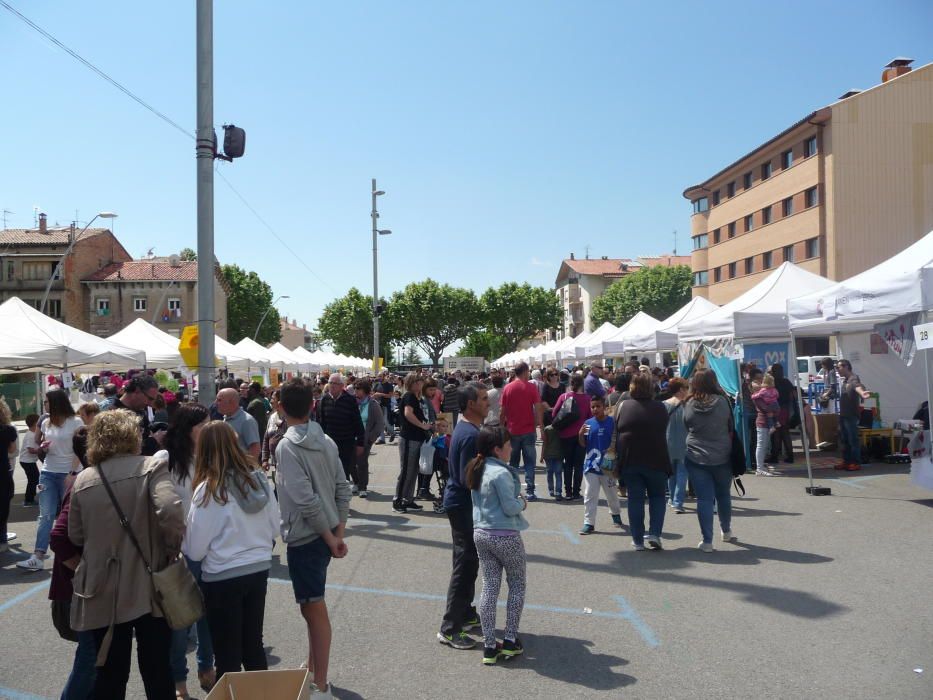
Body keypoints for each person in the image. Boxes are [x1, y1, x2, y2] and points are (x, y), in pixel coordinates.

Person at [69, 409, 185, 698]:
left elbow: (75, 535)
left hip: (103, 585)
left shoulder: (84, 479)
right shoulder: (151, 467)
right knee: (157, 669)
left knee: (109, 674)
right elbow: (171, 511)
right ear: (132, 436)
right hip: (150, 582)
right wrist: (171, 549)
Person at [184, 422, 279, 682]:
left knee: (226, 653)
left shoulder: (209, 489)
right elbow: (274, 528)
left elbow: (194, 548)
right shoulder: (258, 479)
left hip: (222, 575)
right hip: (258, 568)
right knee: (253, 645)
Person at [275, 378, 351, 698]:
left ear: (280, 407)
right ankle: (312, 670)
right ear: (312, 405)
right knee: (312, 607)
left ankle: (320, 682)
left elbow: (306, 500)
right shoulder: (327, 441)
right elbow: (341, 490)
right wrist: (337, 532)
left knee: (313, 609)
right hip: (323, 534)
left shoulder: (287, 446)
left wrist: (331, 536)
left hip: (308, 536)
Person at [158, 403, 215, 699]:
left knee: (208, 615)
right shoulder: (166, 458)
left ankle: (207, 668)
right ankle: (179, 682)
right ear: (187, 428)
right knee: (181, 621)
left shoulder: (212, 455)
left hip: (209, 550)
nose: (208, 429)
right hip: (178, 553)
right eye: (203, 425)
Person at [466, 426, 528, 665]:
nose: (511, 448)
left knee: (490, 586)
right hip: (505, 535)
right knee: (517, 584)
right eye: (508, 445)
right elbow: (510, 507)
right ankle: (510, 639)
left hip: (481, 533)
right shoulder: (501, 474)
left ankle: (490, 645)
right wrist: (522, 503)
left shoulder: (477, 468)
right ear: (497, 449)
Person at [438, 382, 488, 650]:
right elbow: (467, 478)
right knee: (464, 563)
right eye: (482, 398)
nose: (487, 402)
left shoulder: (470, 429)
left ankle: (466, 612)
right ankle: (449, 628)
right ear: (470, 404)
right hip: (462, 505)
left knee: (470, 560)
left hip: (464, 504)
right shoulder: (469, 435)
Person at [18, 390, 84, 572]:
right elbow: (43, 446)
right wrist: (43, 448)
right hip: (48, 472)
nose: (44, 405)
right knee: (45, 515)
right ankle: (38, 556)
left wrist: (72, 473)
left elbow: (81, 448)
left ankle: (73, 555)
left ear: (56, 403)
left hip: (68, 474)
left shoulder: (76, 422)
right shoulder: (46, 422)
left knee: (69, 516)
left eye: (46, 402)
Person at [613, 373, 670, 550]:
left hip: (630, 458)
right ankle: (654, 533)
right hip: (657, 457)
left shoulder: (623, 406)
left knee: (635, 499)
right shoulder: (660, 407)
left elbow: (615, 430)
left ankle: (637, 540)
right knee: (657, 497)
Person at [683, 369, 736, 552]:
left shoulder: (689, 403)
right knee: (723, 495)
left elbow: (686, 424)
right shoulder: (723, 401)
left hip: (696, 455)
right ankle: (726, 530)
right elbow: (731, 424)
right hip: (722, 453)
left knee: (704, 499)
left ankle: (707, 541)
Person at [578, 396, 622, 535]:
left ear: (604, 407)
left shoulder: (612, 423)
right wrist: (580, 434)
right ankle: (589, 523)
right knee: (590, 494)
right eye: (592, 407)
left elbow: (618, 442)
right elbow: (583, 444)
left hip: (608, 466)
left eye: (598, 406)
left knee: (612, 494)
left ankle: (615, 514)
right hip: (591, 466)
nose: (595, 409)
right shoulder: (588, 424)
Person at [499, 362, 543, 501]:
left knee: (513, 462)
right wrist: (538, 423)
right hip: (529, 429)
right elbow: (538, 407)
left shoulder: (508, 388)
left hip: (512, 429)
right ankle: (530, 490)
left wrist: (501, 427)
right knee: (530, 462)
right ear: (524, 371)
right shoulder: (531, 387)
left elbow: (502, 411)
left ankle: (513, 490)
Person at [317, 373, 366, 493]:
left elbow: (357, 422)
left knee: (343, 472)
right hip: (329, 444)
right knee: (330, 472)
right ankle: (334, 498)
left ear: (341, 386)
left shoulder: (350, 400)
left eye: (335, 384)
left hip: (346, 443)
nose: (332, 386)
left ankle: (342, 500)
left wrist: (360, 443)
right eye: (330, 383)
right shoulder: (324, 400)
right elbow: (321, 423)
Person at [394, 372, 432, 513]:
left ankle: (408, 499)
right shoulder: (409, 396)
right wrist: (423, 426)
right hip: (409, 438)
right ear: (414, 383)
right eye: (420, 381)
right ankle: (398, 500)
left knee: (413, 470)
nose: (422, 384)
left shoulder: (417, 398)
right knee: (406, 471)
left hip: (416, 438)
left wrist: (428, 425)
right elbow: (408, 414)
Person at [552, 374, 592, 501]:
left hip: (565, 434)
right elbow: (590, 417)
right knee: (579, 465)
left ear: (571, 383)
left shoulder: (563, 397)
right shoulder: (587, 399)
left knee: (568, 464)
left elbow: (554, 414)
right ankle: (576, 492)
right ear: (582, 384)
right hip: (582, 434)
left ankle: (568, 492)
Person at [107, 374, 164, 456]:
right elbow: (123, 452)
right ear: (137, 391)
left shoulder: (141, 411)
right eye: (149, 399)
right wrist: (155, 441)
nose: (150, 404)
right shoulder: (112, 415)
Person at [836, 359, 871, 471]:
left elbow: (858, 386)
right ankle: (847, 461)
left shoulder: (853, 378)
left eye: (839, 367)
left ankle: (855, 462)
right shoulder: (845, 380)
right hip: (843, 415)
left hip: (851, 415)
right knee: (844, 439)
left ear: (846, 367)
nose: (837, 370)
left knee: (853, 439)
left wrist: (862, 393)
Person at [663, 378, 690, 513]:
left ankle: (672, 499)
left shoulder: (664, 404)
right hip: (684, 441)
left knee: (671, 473)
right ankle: (678, 502)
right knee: (682, 473)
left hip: (667, 441)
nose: (687, 390)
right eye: (686, 388)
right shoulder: (687, 405)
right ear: (680, 389)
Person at [355, 379, 385, 499]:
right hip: (353, 437)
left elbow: (379, 424)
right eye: (355, 388)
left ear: (365, 391)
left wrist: (371, 438)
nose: (356, 391)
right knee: (353, 463)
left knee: (362, 462)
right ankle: (356, 483)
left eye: (358, 389)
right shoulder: (354, 403)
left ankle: (363, 487)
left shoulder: (373, 404)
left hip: (365, 438)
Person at [216, 387, 261, 459]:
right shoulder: (226, 418)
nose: (216, 403)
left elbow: (255, 449)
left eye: (219, 400)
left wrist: (246, 468)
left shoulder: (247, 421)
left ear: (232, 402)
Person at [752, 373, 781, 477]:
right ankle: (759, 468)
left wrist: (773, 411)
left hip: (765, 423)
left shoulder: (764, 394)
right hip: (762, 422)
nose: (760, 383)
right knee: (761, 445)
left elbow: (772, 408)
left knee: (763, 446)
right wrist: (773, 410)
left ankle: (761, 467)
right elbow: (766, 409)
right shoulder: (758, 397)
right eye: (757, 381)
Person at [768, 363, 795, 464]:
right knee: (785, 433)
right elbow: (793, 395)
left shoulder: (772, 382)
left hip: (776, 410)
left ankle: (774, 456)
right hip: (785, 409)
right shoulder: (786, 381)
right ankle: (790, 456)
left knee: (776, 434)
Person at [0, 398, 17, 554]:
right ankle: (2, 540)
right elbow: (12, 450)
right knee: (3, 506)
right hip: (3, 473)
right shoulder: (8, 430)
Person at [261, 389, 287, 484]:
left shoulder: (290, 418)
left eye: (273, 398)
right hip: (272, 462)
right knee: (272, 487)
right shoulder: (272, 417)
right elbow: (266, 438)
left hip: (286, 464)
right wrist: (264, 459)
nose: (271, 401)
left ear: (280, 401)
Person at [18, 413, 40, 507]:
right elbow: (31, 450)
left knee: (34, 478)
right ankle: (29, 499)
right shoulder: (30, 435)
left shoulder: (33, 433)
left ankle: (30, 498)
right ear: (35, 424)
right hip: (27, 461)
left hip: (28, 461)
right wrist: (41, 449)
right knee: (33, 479)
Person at [540, 420, 563, 500]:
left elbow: (544, 443)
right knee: (558, 474)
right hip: (559, 454)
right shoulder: (561, 428)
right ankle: (558, 492)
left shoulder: (547, 429)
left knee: (549, 472)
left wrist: (542, 456)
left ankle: (551, 490)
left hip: (548, 454)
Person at [372, 372, 396, 444]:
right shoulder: (376, 384)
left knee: (386, 421)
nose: (379, 377)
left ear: (384, 376)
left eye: (380, 376)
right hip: (377, 405)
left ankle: (392, 433)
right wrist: (374, 395)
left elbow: (390, 395)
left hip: (386, 405)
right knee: (380, 422)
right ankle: (382, 438)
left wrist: (380, 394)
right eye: (378, 376)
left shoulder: (389, 385)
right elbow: (373, 394)